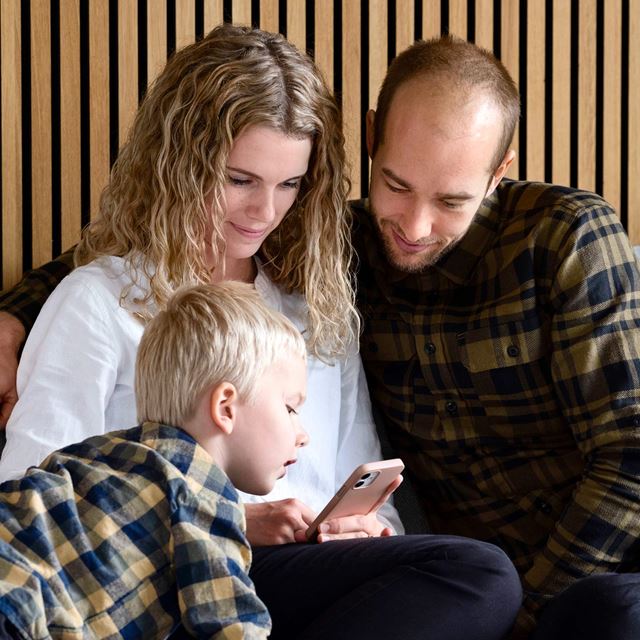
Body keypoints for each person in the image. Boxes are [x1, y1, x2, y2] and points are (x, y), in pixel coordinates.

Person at [0, 25, 523, 640]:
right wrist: (234, 521)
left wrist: (360, 528)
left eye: (289, 184)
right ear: (180, 166)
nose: (264, 212)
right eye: (240, 179)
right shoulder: (97, 300)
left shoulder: (312, 305)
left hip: (298, 577)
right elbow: (28, 509)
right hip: (163, 584)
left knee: (472, 580)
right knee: (476, 571)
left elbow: (357, 476)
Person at [347, 35, 640, 639]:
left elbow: (632, 452)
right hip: (472, 588)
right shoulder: (335, 250)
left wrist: (527, 615)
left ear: (499, 172)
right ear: (372, 136)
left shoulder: (566, 238)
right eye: (396, 185)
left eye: (451, 201)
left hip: (611, 569)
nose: (414, 227)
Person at [0, 280, 311, 639]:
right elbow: (232, 627)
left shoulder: (104, 452)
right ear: (225, 407)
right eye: (290, 409)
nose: (303, 435)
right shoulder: (202, 497)